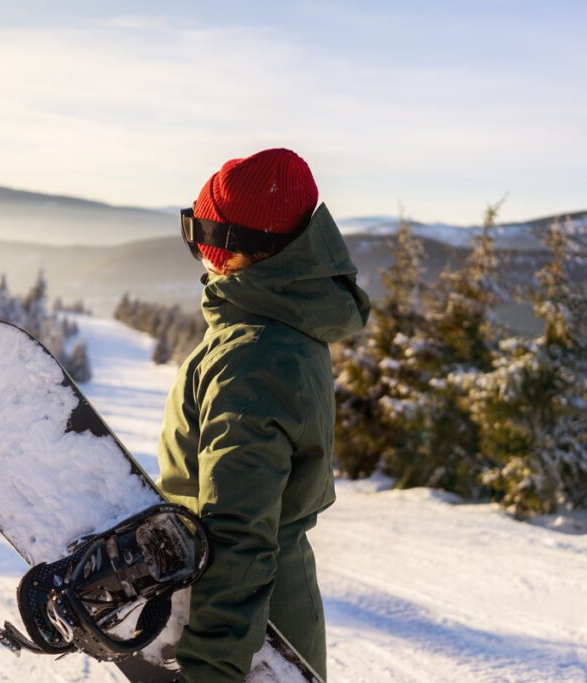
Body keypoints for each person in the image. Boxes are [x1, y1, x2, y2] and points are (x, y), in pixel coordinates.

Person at [157, 148, 370, 683]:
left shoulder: (252, 356)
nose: (199, 254)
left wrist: (209, 670)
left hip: (250, 637)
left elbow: (239, 531)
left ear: (233, 249)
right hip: (255, 615)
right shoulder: (277, 329)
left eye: (199, 235)